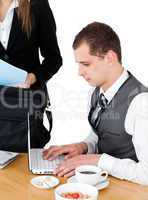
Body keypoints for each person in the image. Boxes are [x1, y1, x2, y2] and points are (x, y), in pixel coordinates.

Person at [43, 22, 148, 185]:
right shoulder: (95, 92)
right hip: (101, 183)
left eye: (85, 64)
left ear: (110, 58)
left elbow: (146, 174)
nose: (80, 72)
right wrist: (84, 147)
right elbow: (101, 135)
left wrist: (95, 160)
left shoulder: (142, 102)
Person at [0, 0, 62, 150]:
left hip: (27, 103)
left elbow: (54, 59)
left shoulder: (37, 5)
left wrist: (33, 77)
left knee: (25, 162)